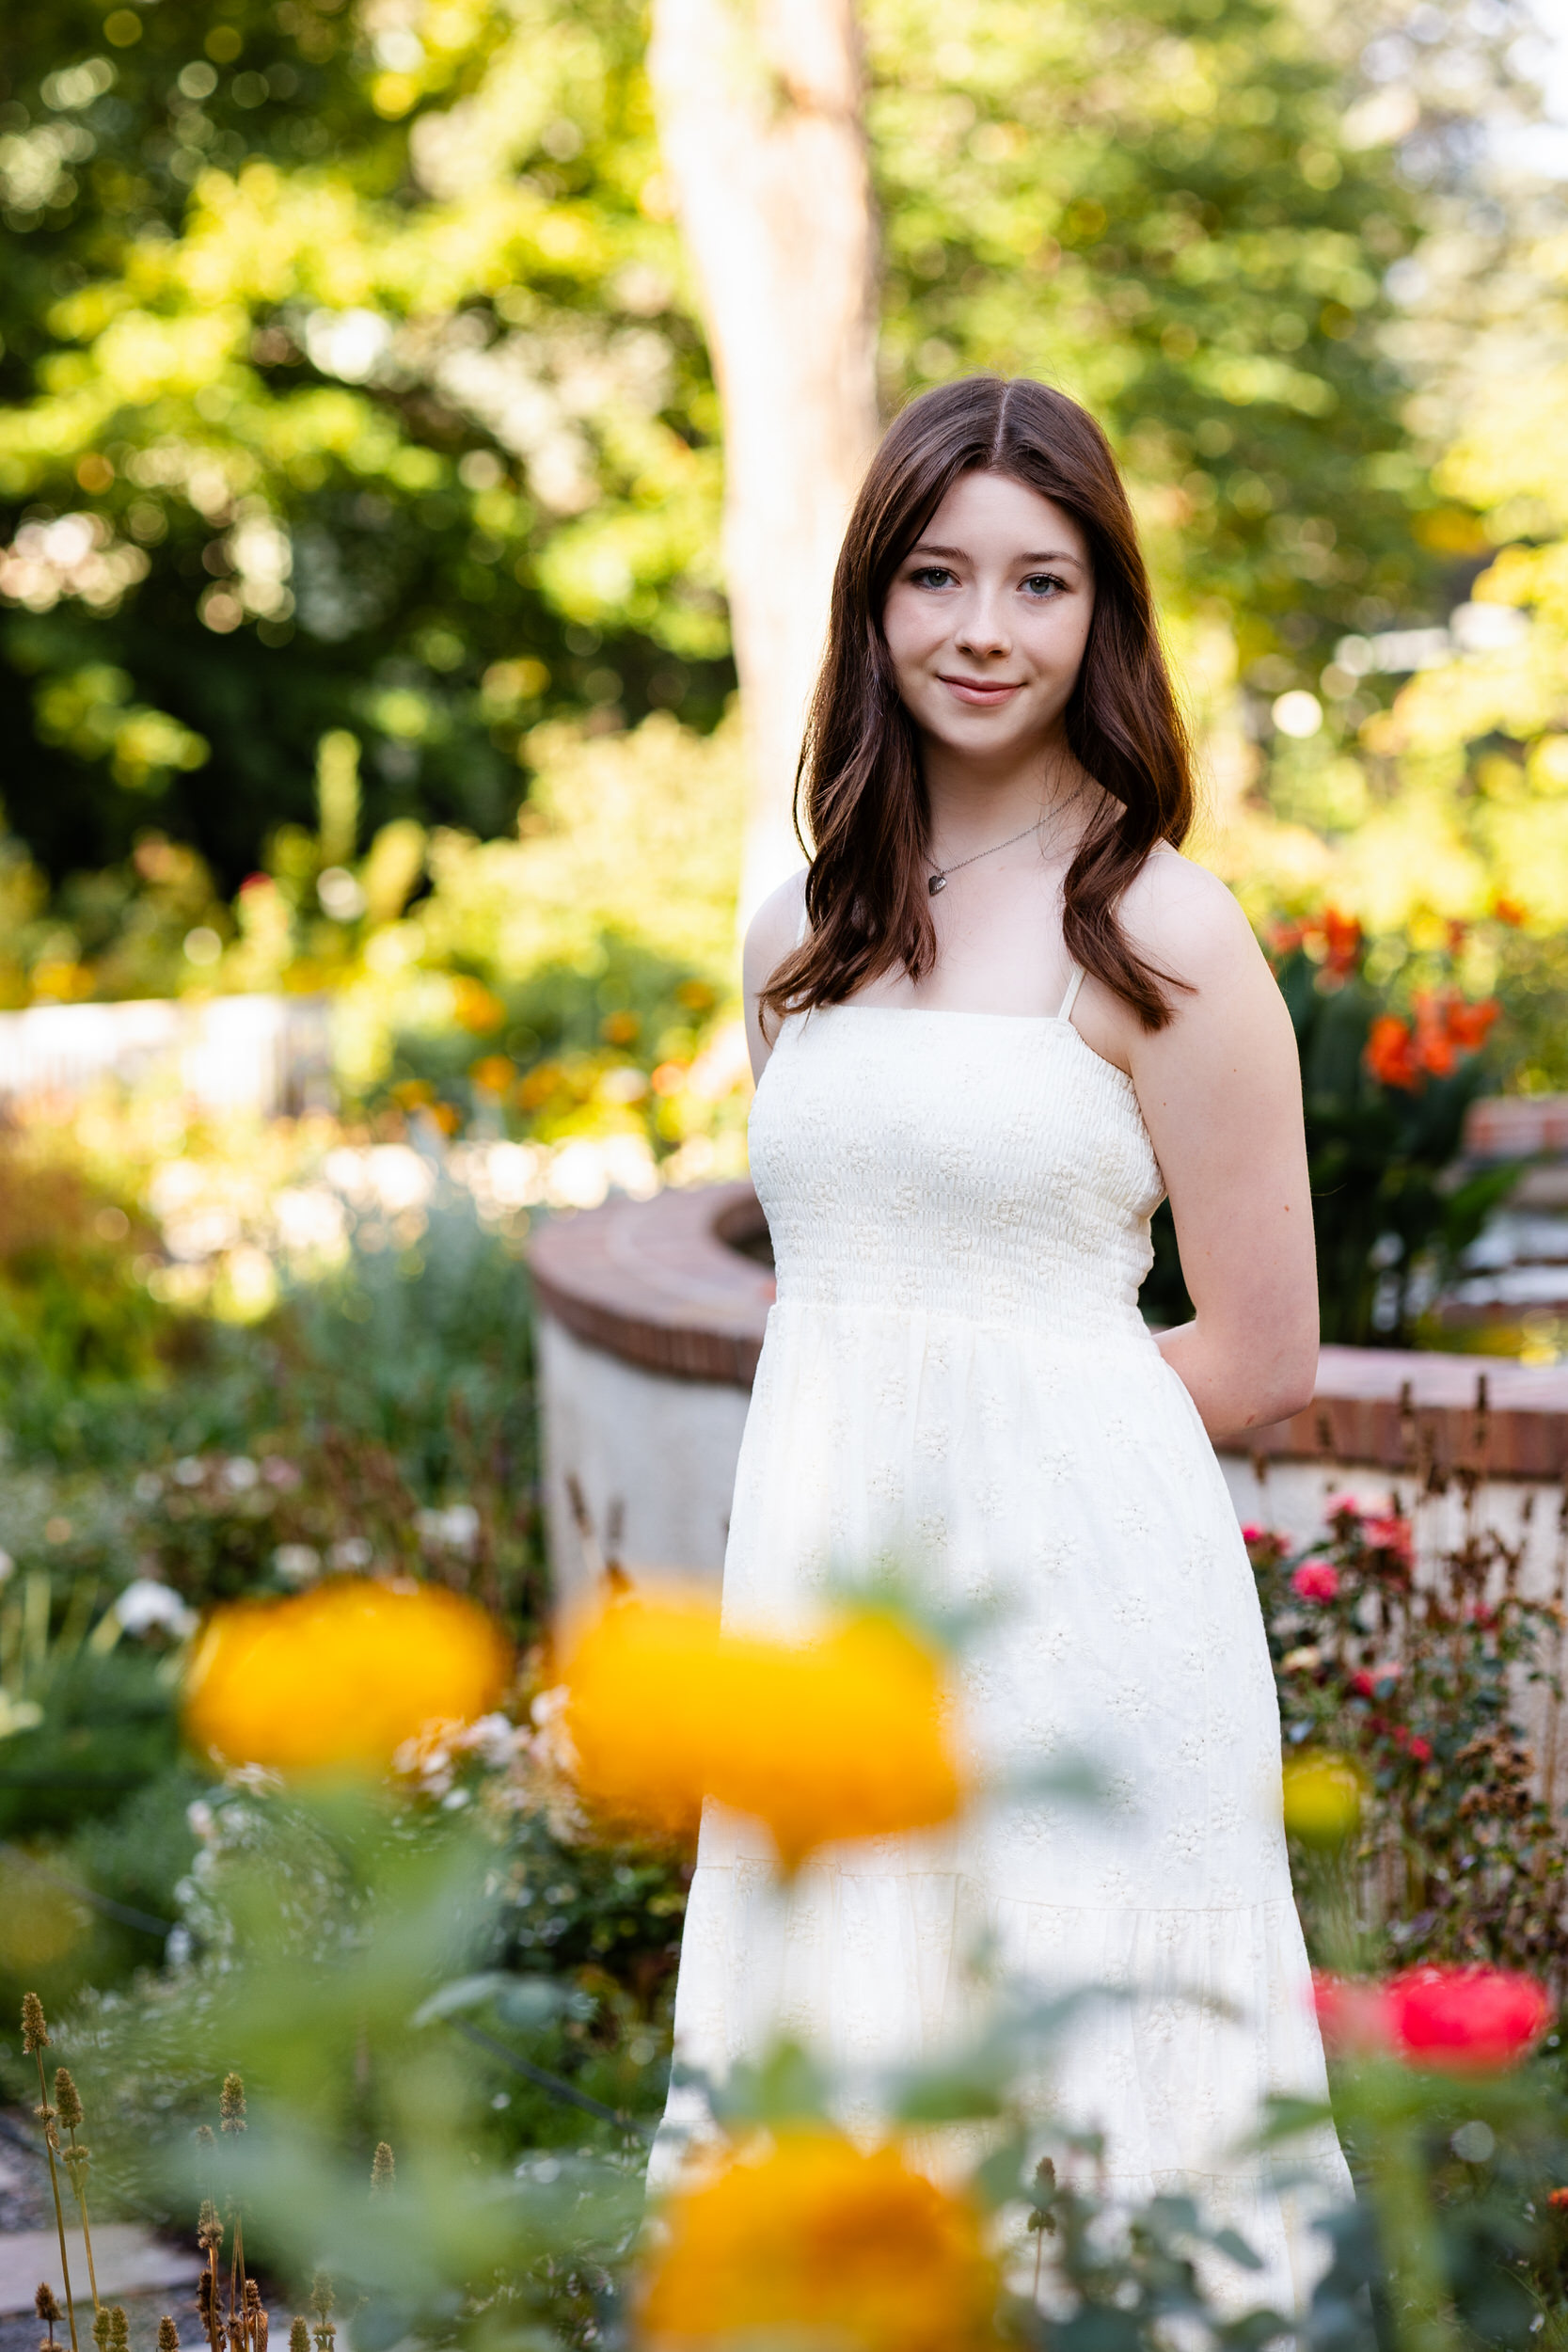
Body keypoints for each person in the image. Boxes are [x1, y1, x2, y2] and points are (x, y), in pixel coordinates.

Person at [648, 375, 1350, 2303]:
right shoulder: (799, 921)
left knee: (1090, 2080)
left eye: (1040, 583)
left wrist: (1034, 1491)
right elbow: (846, 1283)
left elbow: (1267, 1347)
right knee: (848, 2062)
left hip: (1080, 1606)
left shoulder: (1171, 932)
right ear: (873, 602)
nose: (982, 627)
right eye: (938, 574)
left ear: (1102, 616)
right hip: (825, 1595)